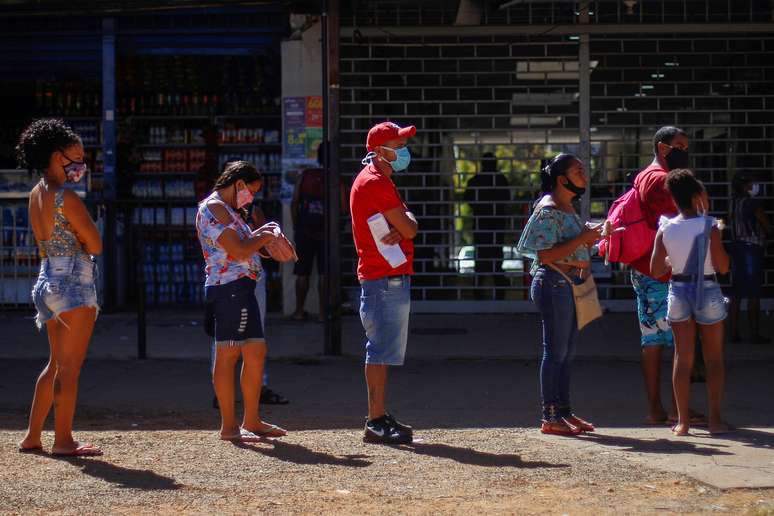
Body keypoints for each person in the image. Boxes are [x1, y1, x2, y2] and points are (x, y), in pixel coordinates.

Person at [17, 119, 103, 456]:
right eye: (76, 157)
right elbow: (95, 244)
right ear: (57, 156)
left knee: (54, 363)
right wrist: (83, 234)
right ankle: (64, 440)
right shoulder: (66, 198)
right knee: (69, 369)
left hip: (46, 279)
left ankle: (32, 435)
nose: (81, 164)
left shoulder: (37, 193)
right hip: (73, 283)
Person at [196, 160, 287, 442]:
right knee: (229, 353)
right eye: (250, 190)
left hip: (240, 288)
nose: (251, 197)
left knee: (255, 351)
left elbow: (245, 247)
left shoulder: (229, 210)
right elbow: (238, 250)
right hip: (229, 288)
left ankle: (251, 419)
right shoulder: (213, 209)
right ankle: (229, 425)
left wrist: (265, 237)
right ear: (238, 184)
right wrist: (265, 235)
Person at [516, 153, 602, 436]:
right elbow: (543, 254)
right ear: (562, 178)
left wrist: (592, 237)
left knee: (566, 353)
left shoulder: (566, 207)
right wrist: (583, 239)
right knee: (555, 352)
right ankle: (550, 416)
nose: (584, 177)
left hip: (568, 284)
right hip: (554, 283)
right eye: (579, 171)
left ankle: (563, 412)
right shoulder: (549, 208)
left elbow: (570, 247)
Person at [628, 126, 706, 426]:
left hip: (647, 270)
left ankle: (657, 409)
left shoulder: (644, 176)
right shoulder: (659, 180)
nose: (684, 151)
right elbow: (681, 217)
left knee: (652, 340)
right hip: (662, 272)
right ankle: (676, 409)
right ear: (662, 148)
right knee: (677, 341)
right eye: (679, 146)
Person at [350, 121, 418, 444]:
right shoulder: (375, 182)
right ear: (379, 151)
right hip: (382, 278)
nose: (403, 150)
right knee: (378, 350)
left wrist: (406, 223)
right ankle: (375, 420)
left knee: (382, 350)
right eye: (398, 144)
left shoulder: (379, 181)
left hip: (385, 276)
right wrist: (406, 224)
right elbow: (409, 228)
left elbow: (408, 224)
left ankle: (379, 415)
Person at [650, 169, 731, 435]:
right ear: (698, 195)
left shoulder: (665, 228)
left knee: (682, 359)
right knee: (714, 360)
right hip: (707, 289)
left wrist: (672, 261)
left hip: (678, 290)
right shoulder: (710, 227)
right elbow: (722, 267)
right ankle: (715, 421)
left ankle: (683, 422)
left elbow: (656, 269)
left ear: (672, 198)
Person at [290, 143, 347, 322]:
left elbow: (294, 202)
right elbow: (344, 207)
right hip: (327, 232)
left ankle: (299, 311)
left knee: (302, 272)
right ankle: (323, 314)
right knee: (324, 273)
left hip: (304, 231)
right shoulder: (336, 178)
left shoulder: (306, 175)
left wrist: (296, 226)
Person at [728, 172, 770, 344]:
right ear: (745, 186)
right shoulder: (753, 204)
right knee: (754, 292)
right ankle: (754, 333)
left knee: (737, 291)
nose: (754, 186)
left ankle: (734, 332)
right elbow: (766, 224)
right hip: (752, 248)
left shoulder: (733, 203)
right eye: (751, 183)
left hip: (737, 247)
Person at [464, 152, 511, 299]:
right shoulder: (501, 180)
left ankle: (480, 296)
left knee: (482, 264)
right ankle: (498, 296)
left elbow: (469, 200)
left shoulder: (476, 180)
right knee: (495, 263)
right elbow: (506, 200)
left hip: (482, 226)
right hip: (494, 226)